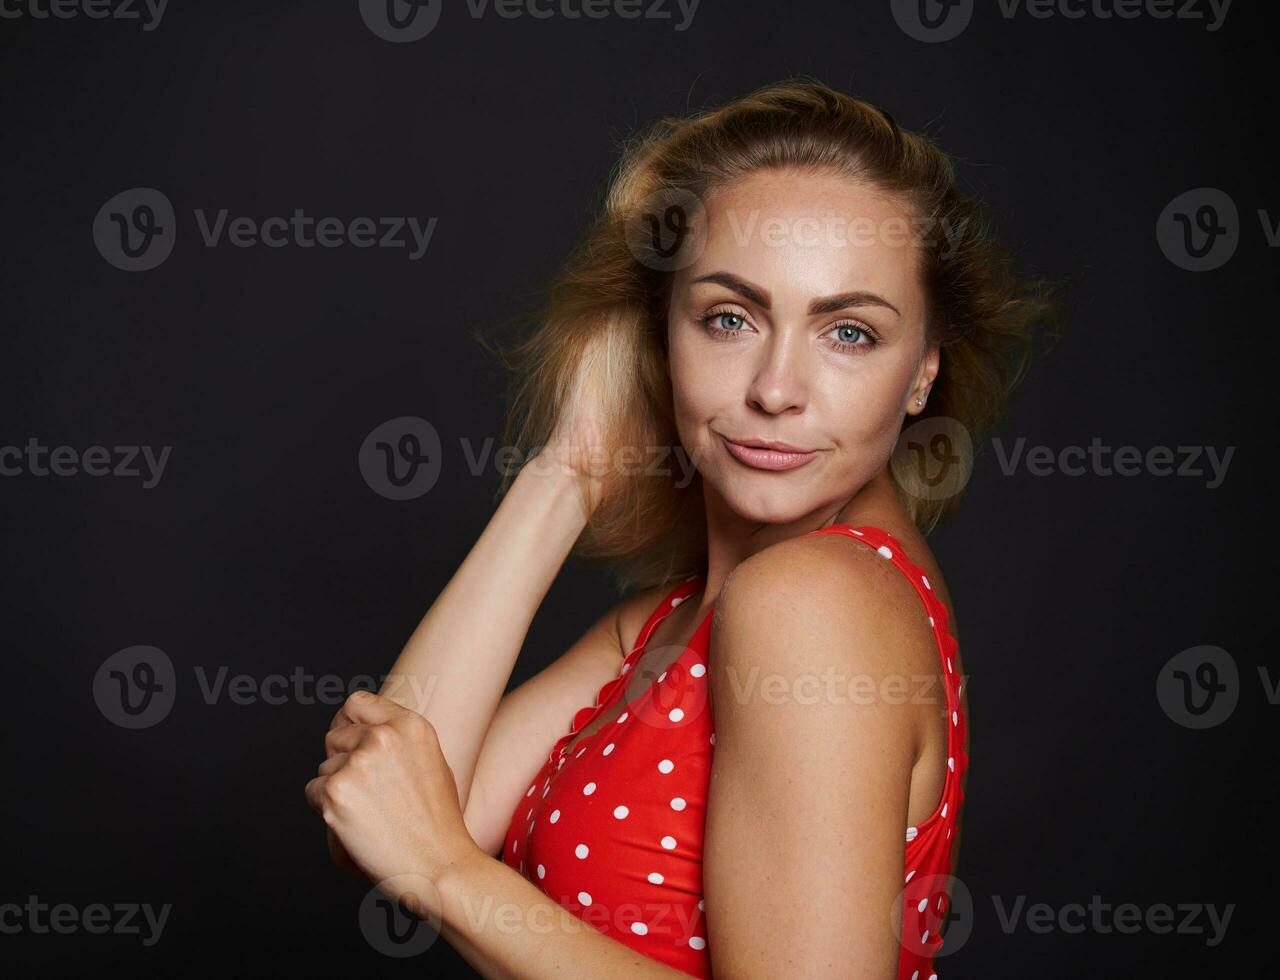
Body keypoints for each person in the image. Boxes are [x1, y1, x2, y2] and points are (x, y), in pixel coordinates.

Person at [305, 76, 1062, 978]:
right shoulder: (673, 623)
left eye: (849, 333)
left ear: (923, 373)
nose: (775, 389)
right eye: (729, 318)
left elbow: (426, 844)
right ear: (661, 337)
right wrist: (571, 471)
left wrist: (444, 872)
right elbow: (383, 803)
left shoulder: (815, 600)